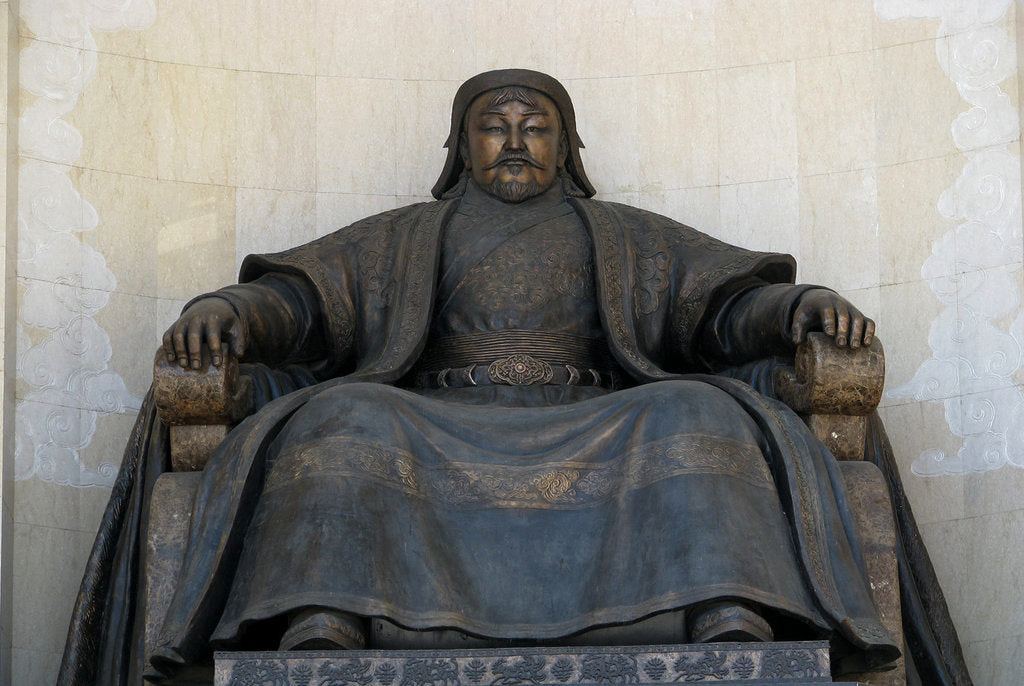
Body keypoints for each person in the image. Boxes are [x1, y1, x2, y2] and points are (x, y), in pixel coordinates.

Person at [66, 69, 957, 686]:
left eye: (536, 126)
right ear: (462, 145)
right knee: (346, 418)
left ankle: (726, 613)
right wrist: (228, 307)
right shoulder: (405, 235)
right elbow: (303, 302)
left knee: (694, 410)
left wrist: (798, 306)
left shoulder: (624, 234)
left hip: (595, 412)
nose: (516, 141)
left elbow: (722, 309)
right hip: (434, 416)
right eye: (496, 126)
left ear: (566, 145)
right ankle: (324, 618)